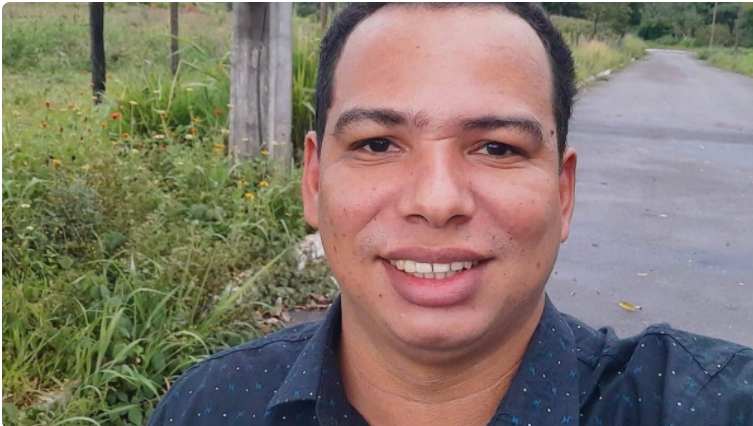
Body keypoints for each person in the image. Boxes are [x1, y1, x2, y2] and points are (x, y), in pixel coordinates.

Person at [147, 3, 753, 425]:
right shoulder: (210, 406)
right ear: (313, 180)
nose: (437, 202)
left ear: (563, 193)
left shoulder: (705, 405)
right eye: (377, 144)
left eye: (497, 148)